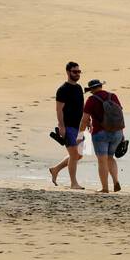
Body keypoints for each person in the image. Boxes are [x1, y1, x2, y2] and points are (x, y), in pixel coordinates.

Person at [79, 78, 123, 193]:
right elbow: (119, 115)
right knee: (110, 157)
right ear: (101, 86)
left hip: (100, 133)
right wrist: (122, 132)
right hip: (117, 132)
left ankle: (105, 188)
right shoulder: (113, 96)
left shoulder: (91, 100)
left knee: (102, 160)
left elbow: (84, 120)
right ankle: (115, 181)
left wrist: (80, 133)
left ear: (91, 89)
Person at [48, 61, 86, 189]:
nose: (77, 74)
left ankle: (55, 169)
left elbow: (82, 107)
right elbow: (59, 109)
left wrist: (88, 121)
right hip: (68, 126)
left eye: (79, 72)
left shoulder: (79, 88)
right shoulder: (62, 90)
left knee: (79, 155)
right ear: (68, 72)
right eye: (75, 72)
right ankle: (73, 183)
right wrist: (61, 126)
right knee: (74, 155)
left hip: (80, 126)